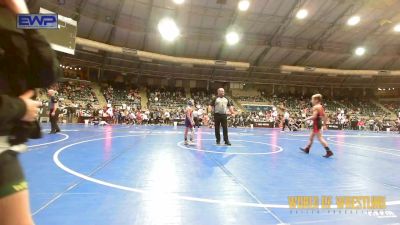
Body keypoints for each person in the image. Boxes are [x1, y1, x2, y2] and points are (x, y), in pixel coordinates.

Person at [0, 0, 60, 224]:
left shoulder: (12, 19)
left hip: (6, 145)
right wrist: (19, 108)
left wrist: (24, 17)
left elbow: (47, 72)